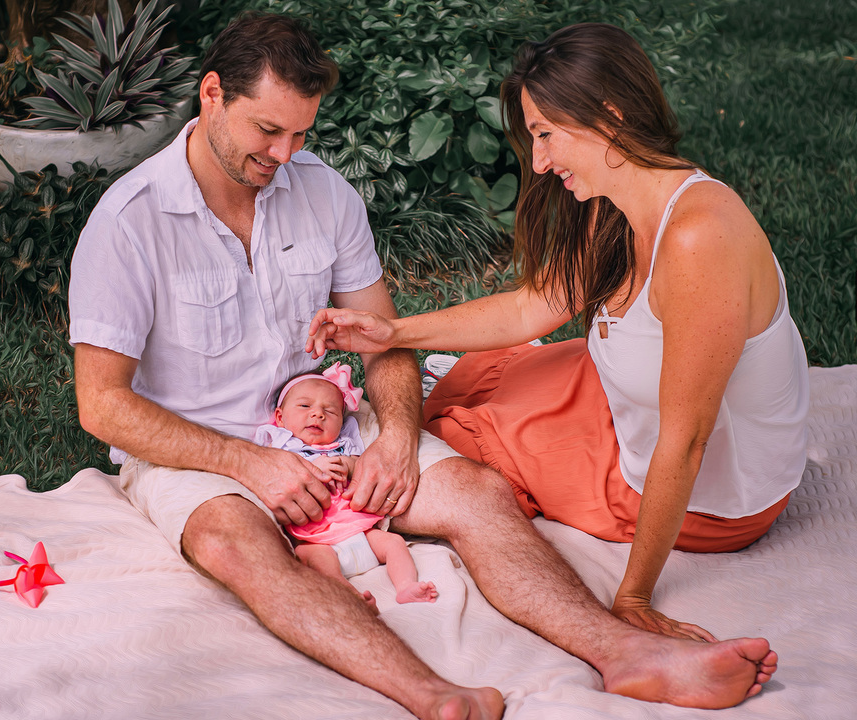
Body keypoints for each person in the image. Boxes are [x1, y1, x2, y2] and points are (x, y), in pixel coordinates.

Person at [70, 12, 777, 720]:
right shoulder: (130, 223)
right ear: (211, 95)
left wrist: (400, 436)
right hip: (206, 453)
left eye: (301, 135)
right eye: (268, 132)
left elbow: (384, 341)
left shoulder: (323, 193)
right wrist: (251, 465)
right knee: (232, 545)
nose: (285, 154)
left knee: (476, 488)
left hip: (344, 422)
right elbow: (102, 404)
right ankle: (440, 696)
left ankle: (625, 652)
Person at [307, 22, 809, 644]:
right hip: (630, 406)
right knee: (489, 374)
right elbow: (531, 308)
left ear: (609, 117)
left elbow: (685, 442)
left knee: (460, 440)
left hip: (709, 492)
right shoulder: (622, 198)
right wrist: (394, 332)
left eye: (546, 134)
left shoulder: (698, 237)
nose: (539, 162)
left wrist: (633, 597)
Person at [255, 363, 439, 609]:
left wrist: (350, 466)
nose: (318, 414)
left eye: (329, 411)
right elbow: (275, 474)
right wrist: (313, 466)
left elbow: (365, 467)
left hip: (361, 532)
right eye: (305, 406)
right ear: (280, 416)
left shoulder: (344, 445)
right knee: (314, 560)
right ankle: (350, 598)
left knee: (394, 543)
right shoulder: (280, 445)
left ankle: (406, 586)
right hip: (318, 540)